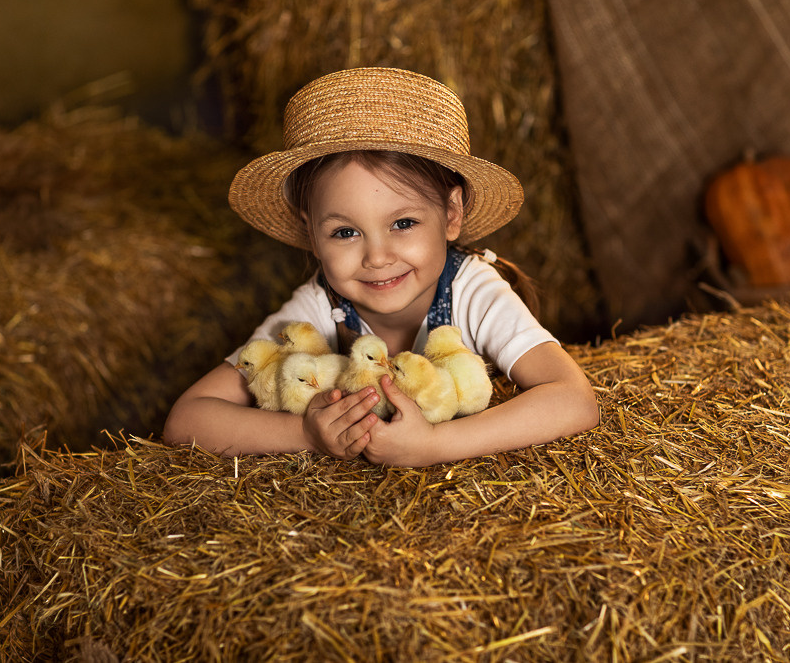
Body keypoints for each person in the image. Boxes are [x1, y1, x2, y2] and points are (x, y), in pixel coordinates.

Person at [164, 67, 599, 466]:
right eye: (345, 232)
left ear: (451, 214)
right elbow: (187, 420)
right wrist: (306, 434)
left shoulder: (474, 292)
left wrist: (435, 445)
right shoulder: (316, 311)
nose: (377, 257)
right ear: (311, 233)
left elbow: (574, 400)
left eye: (403, 223)